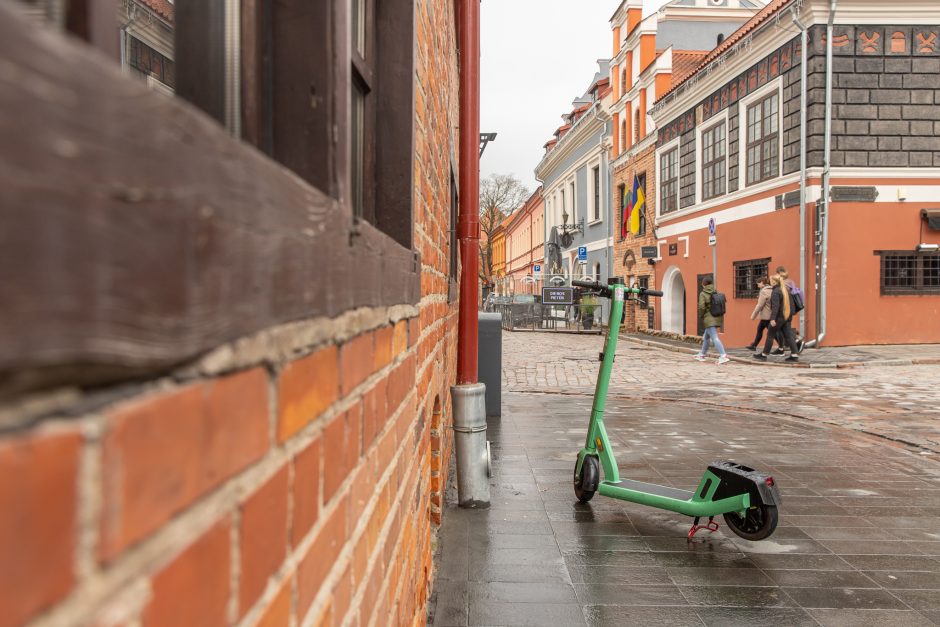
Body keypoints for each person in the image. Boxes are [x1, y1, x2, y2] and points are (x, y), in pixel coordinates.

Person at [754, 274, 800, 362]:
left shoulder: (775, 291)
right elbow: (791, 305)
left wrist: (772, 319)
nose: (769, 281)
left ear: (774, 282)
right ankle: (794, 355)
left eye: (771, 280)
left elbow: (776, 306)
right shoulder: (785, 290)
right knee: (788, 335)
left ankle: (764, 355)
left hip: (778, 317)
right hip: (787, 316)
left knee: (770, 335)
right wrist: (790, 315)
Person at [695, 276, 730, 365]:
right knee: (706, 337)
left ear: (703, 284)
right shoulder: (715, 291)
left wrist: (701, 315)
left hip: (709, 318)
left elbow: (702, 307)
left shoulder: (703, 293)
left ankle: (723, 355)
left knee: (714, 337)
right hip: (717, 316)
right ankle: (702, 354)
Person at [775, 266, 805, 354]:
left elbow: (782, 296)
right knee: (782, 328)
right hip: (790, 309)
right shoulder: (790, 282)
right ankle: (785, 347)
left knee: (780, 329)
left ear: (779, 274)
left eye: (776, 273)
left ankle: (796, 340)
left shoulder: (784, 284)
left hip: (784, 309)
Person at [746, 276, 774, 351]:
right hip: (768, 314)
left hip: (766, 315)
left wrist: (753, 316)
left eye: (758, 283)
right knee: (760, 329)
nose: (757, 285)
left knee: (773, 332)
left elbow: (760, 305)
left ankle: (783, 346)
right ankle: (754, 345)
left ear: (762, 283)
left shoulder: (764, 291)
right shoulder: (771, 289)